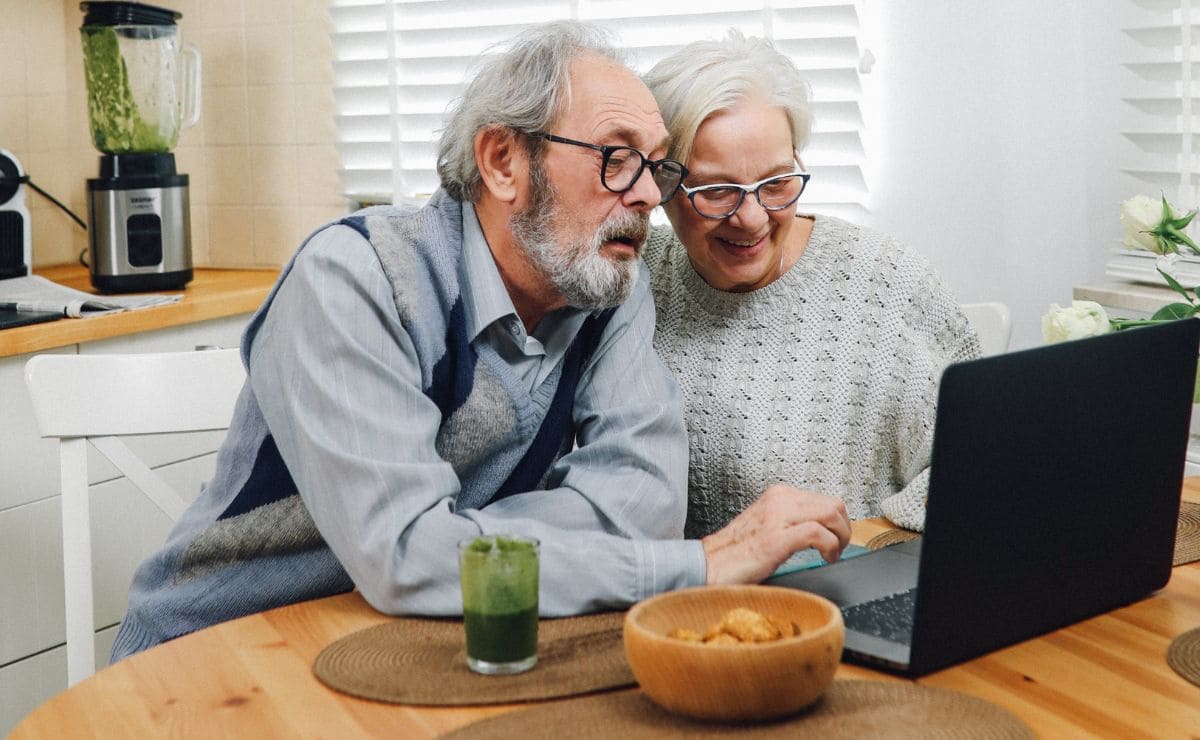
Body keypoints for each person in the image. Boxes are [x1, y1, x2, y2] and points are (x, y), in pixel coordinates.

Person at [111, 21, 851, 661]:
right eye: (615, 157)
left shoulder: (606, 286)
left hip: (424, 646)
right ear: (503, 162)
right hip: (218, 655)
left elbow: (642, 508)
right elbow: (405, 557)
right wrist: (687, 566)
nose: (651, 195)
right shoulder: (354, 278)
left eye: (654, 163)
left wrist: (448, 546)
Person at [641, 31, 981, 538]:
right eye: (717, 192)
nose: (752, 218)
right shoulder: (631, 280)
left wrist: (857, 548)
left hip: (841, 588)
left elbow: (979, 463)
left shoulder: (887, 285)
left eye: (777, 182)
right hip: (678, 604)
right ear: (662, 186)